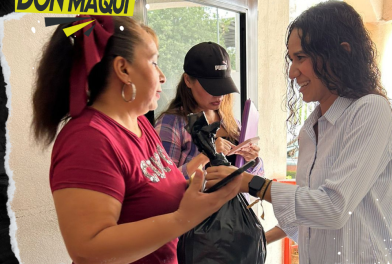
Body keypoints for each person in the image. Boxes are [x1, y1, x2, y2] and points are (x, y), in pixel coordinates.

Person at [31, 15, 241, 264]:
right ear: (123, 69)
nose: (162, 76)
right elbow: (87, 249)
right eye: (153, 62)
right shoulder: (88, 139)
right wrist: (184, 217)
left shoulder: (139, 122)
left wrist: (203, 189)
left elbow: (152, 196)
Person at [205, 2, 392, 263]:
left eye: (301, 58)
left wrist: (248, 183)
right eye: (291, 59)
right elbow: (307, 215)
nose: (292, 72)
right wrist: (253, 239)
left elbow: (332, 208)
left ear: (341, 54)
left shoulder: (370, 110)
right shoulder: (311, 127)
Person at [154, 42, 264, 180]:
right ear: (188, 80)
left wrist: (252, 160)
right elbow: (163, 182)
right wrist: (206, 155)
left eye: (223, 86)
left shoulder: (231, 123)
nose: (219, 95)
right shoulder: (171, 124)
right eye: (211, 87)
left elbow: (257, 179)